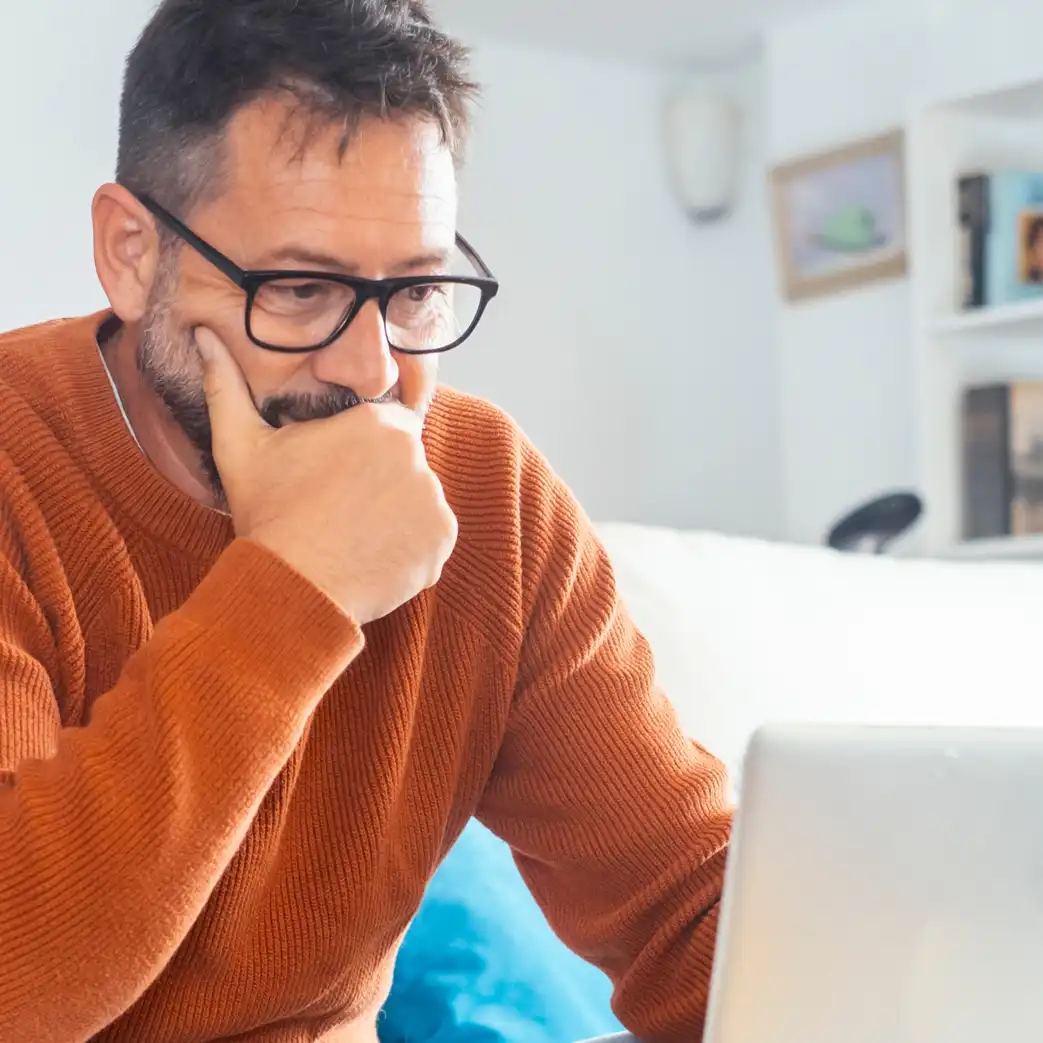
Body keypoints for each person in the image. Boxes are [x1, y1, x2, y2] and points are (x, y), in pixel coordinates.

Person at [0, 2, 731, 1042]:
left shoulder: (485, 491)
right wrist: (297, 582)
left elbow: (688, 906)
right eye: (298, 289)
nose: (373, 371)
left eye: (416, 292)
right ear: (130, 252)